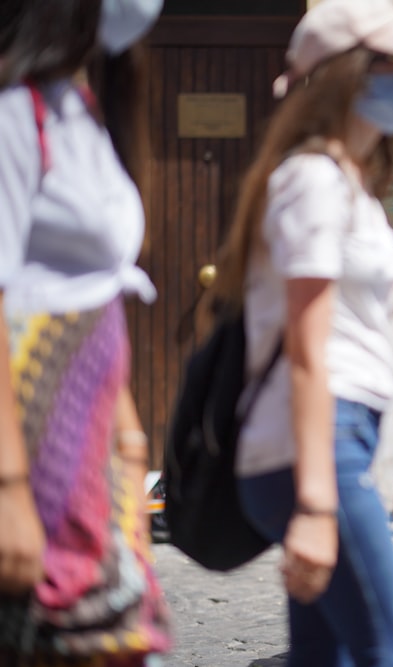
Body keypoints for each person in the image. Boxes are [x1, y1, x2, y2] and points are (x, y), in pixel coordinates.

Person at [207, 2, 393, 666]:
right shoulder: (312, 181)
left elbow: (342, 313)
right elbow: (306, 345)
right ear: (346, 74)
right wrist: (317, 502)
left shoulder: (346, 184)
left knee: (328, 657)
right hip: (320, 446)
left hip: (334, 438)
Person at [0, 0, 172, 665]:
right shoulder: (16, 112)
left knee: (113, 627)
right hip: (34, 430)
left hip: (91, 431)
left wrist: (129, 447)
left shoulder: (83, 108)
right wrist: (8, 487)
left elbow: (102, 290)